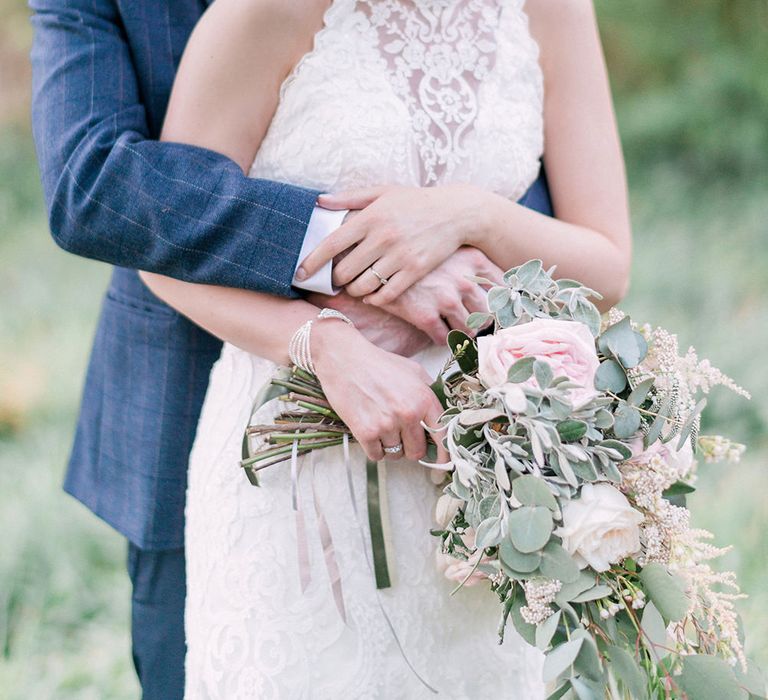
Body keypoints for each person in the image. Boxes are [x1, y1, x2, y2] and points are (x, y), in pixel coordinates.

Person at [28, 0, 561, 697]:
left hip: (464, 432)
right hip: (206, 416)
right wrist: (352, 259)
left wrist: (468, 232)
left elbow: (526, 173)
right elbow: (95, 184)